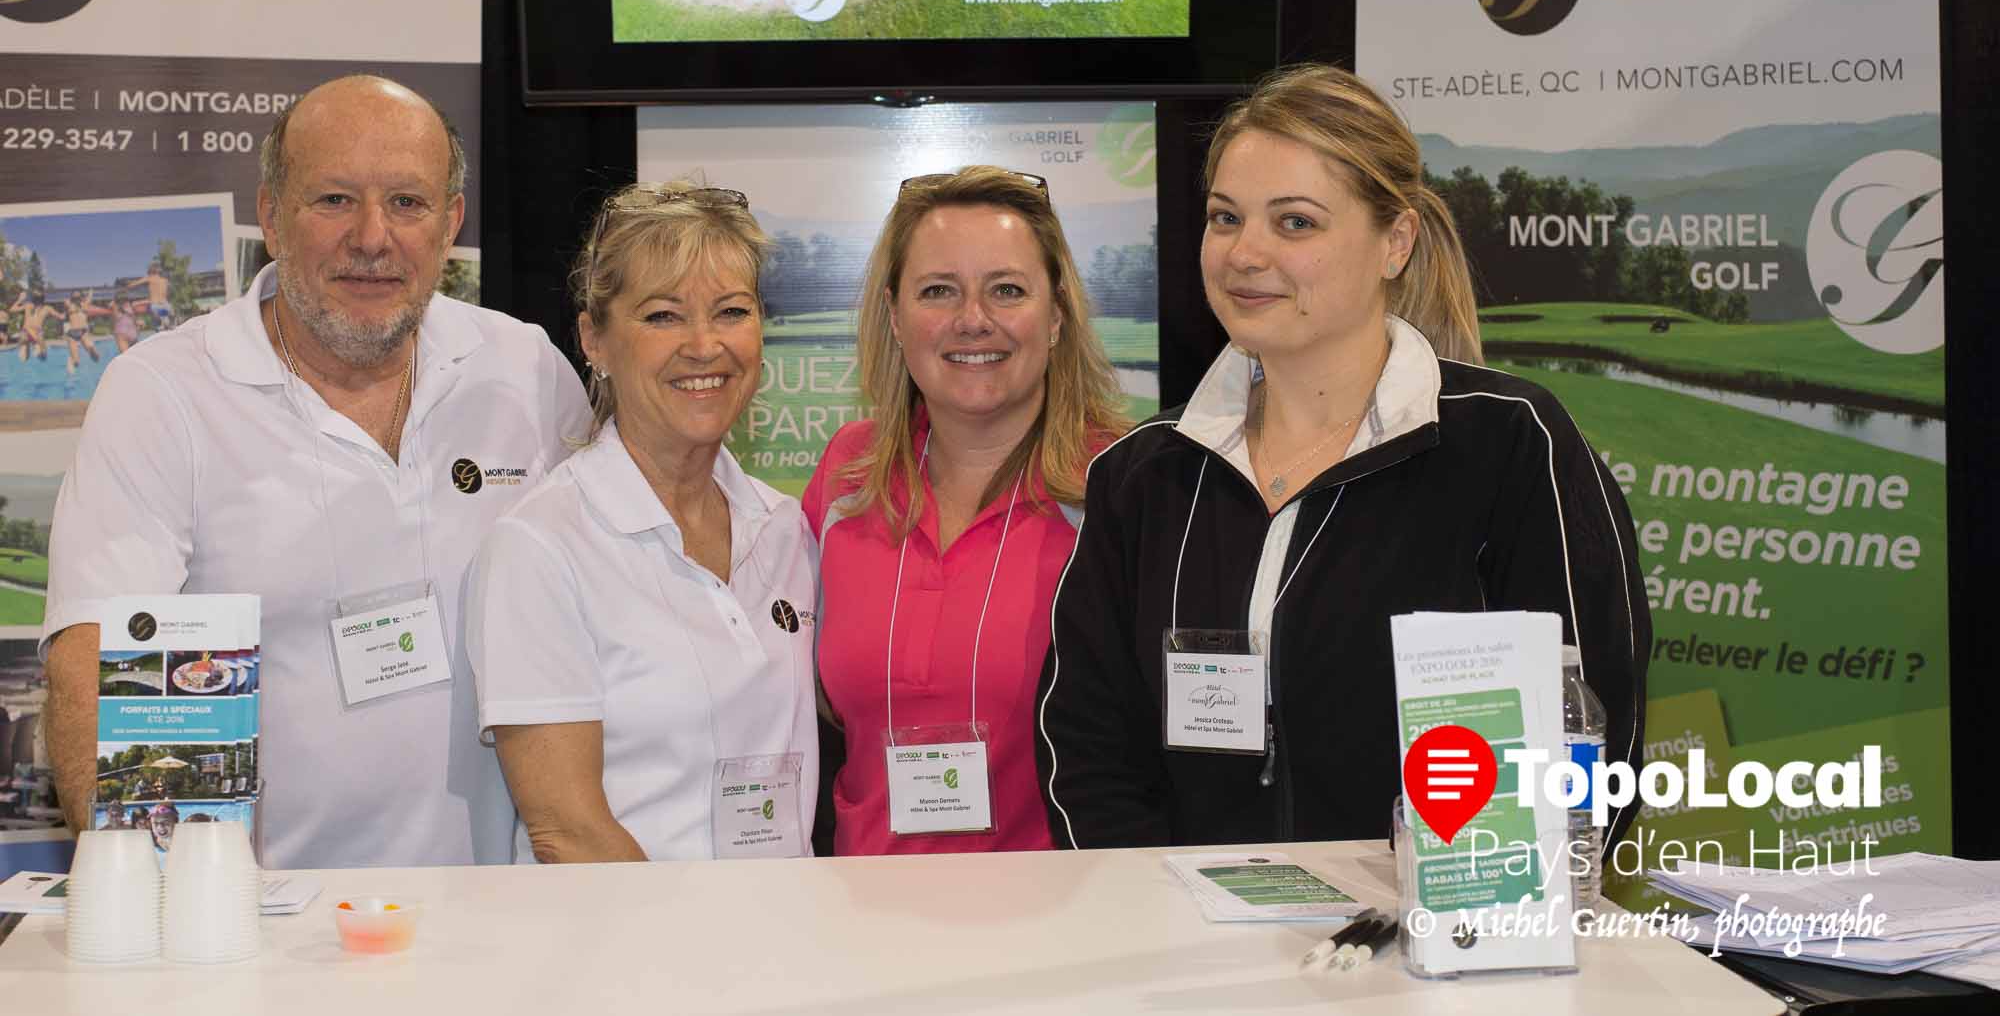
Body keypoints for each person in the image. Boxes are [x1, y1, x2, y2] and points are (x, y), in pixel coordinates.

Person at [1036, 64, 1650, 851]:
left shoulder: (1512, 445)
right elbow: (1085, 749)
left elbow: (1588, 735)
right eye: (1225, 218)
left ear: (1395, 240)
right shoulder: (1145, 475)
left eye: (1295, 222)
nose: (1245, 253)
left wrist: (1431, 916)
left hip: (1437, 949)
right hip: (1189, 949)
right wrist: (1164, 912)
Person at [40, 74, 590, 870]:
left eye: (407, 202)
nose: (373, 237)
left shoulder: (524, 368)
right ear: (270, 214)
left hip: (501, 924)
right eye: (334, 199)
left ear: (451, 222)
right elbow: (97, 669)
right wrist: (179, 912)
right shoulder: (165, 393)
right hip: (269, 937)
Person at [467, 183, 818, 863]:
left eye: (732, 311)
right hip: (630, 956)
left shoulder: (784, 529)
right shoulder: (539, 546)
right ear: (594, 339)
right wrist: (694, 959)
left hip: (786, 945)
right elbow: (567, 832)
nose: (704, 344)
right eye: (662, 315)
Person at [805, 166, 1129, 855]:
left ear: (1058, 312)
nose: (972, 319)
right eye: (938, 291)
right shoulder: (847, 475)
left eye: (1006, 290)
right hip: (860, 921)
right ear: (894, 315)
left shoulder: (1118, 488)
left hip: (1059, 922)